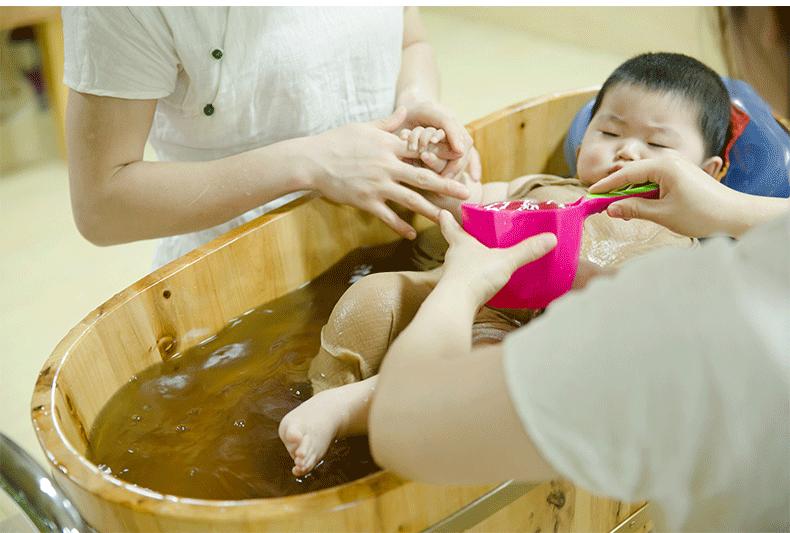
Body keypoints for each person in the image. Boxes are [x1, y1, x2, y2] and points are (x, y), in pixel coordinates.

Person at [277, 52, 738, 476]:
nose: (627, 152)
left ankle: (349, 409)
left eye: (656, 144)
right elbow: (467, 205)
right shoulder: (541, 187)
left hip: (551, 352)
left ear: (709, 174)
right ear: (583, 140)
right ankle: (325, 409)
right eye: (610, 133)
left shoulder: (688, 246)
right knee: (371, 298)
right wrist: (441, 169)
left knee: (490, 368)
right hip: (481, 305)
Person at [61, 7, 478, 268]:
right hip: (240, 274)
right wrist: (309, 161)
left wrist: (414, 101)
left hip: (385, 240)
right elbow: (101, 205)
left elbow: (410, 40)